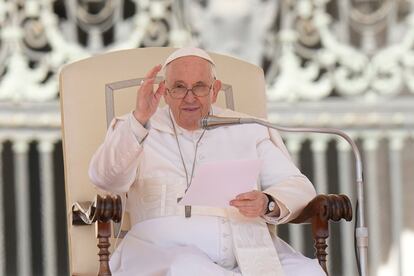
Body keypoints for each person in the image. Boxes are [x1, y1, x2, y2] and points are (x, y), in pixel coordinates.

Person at [89, 47, 326, 276]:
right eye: (179, 87)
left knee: (308, 271)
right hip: (162, 249)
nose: (189, 97)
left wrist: (268, 203)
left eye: (200, 87)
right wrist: (139, 118)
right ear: (165, 92)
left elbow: (297, 185)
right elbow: (105, 178)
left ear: (215, 90)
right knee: (186, 268)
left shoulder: (247, 128)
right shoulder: (138, 128)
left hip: (246, 249)